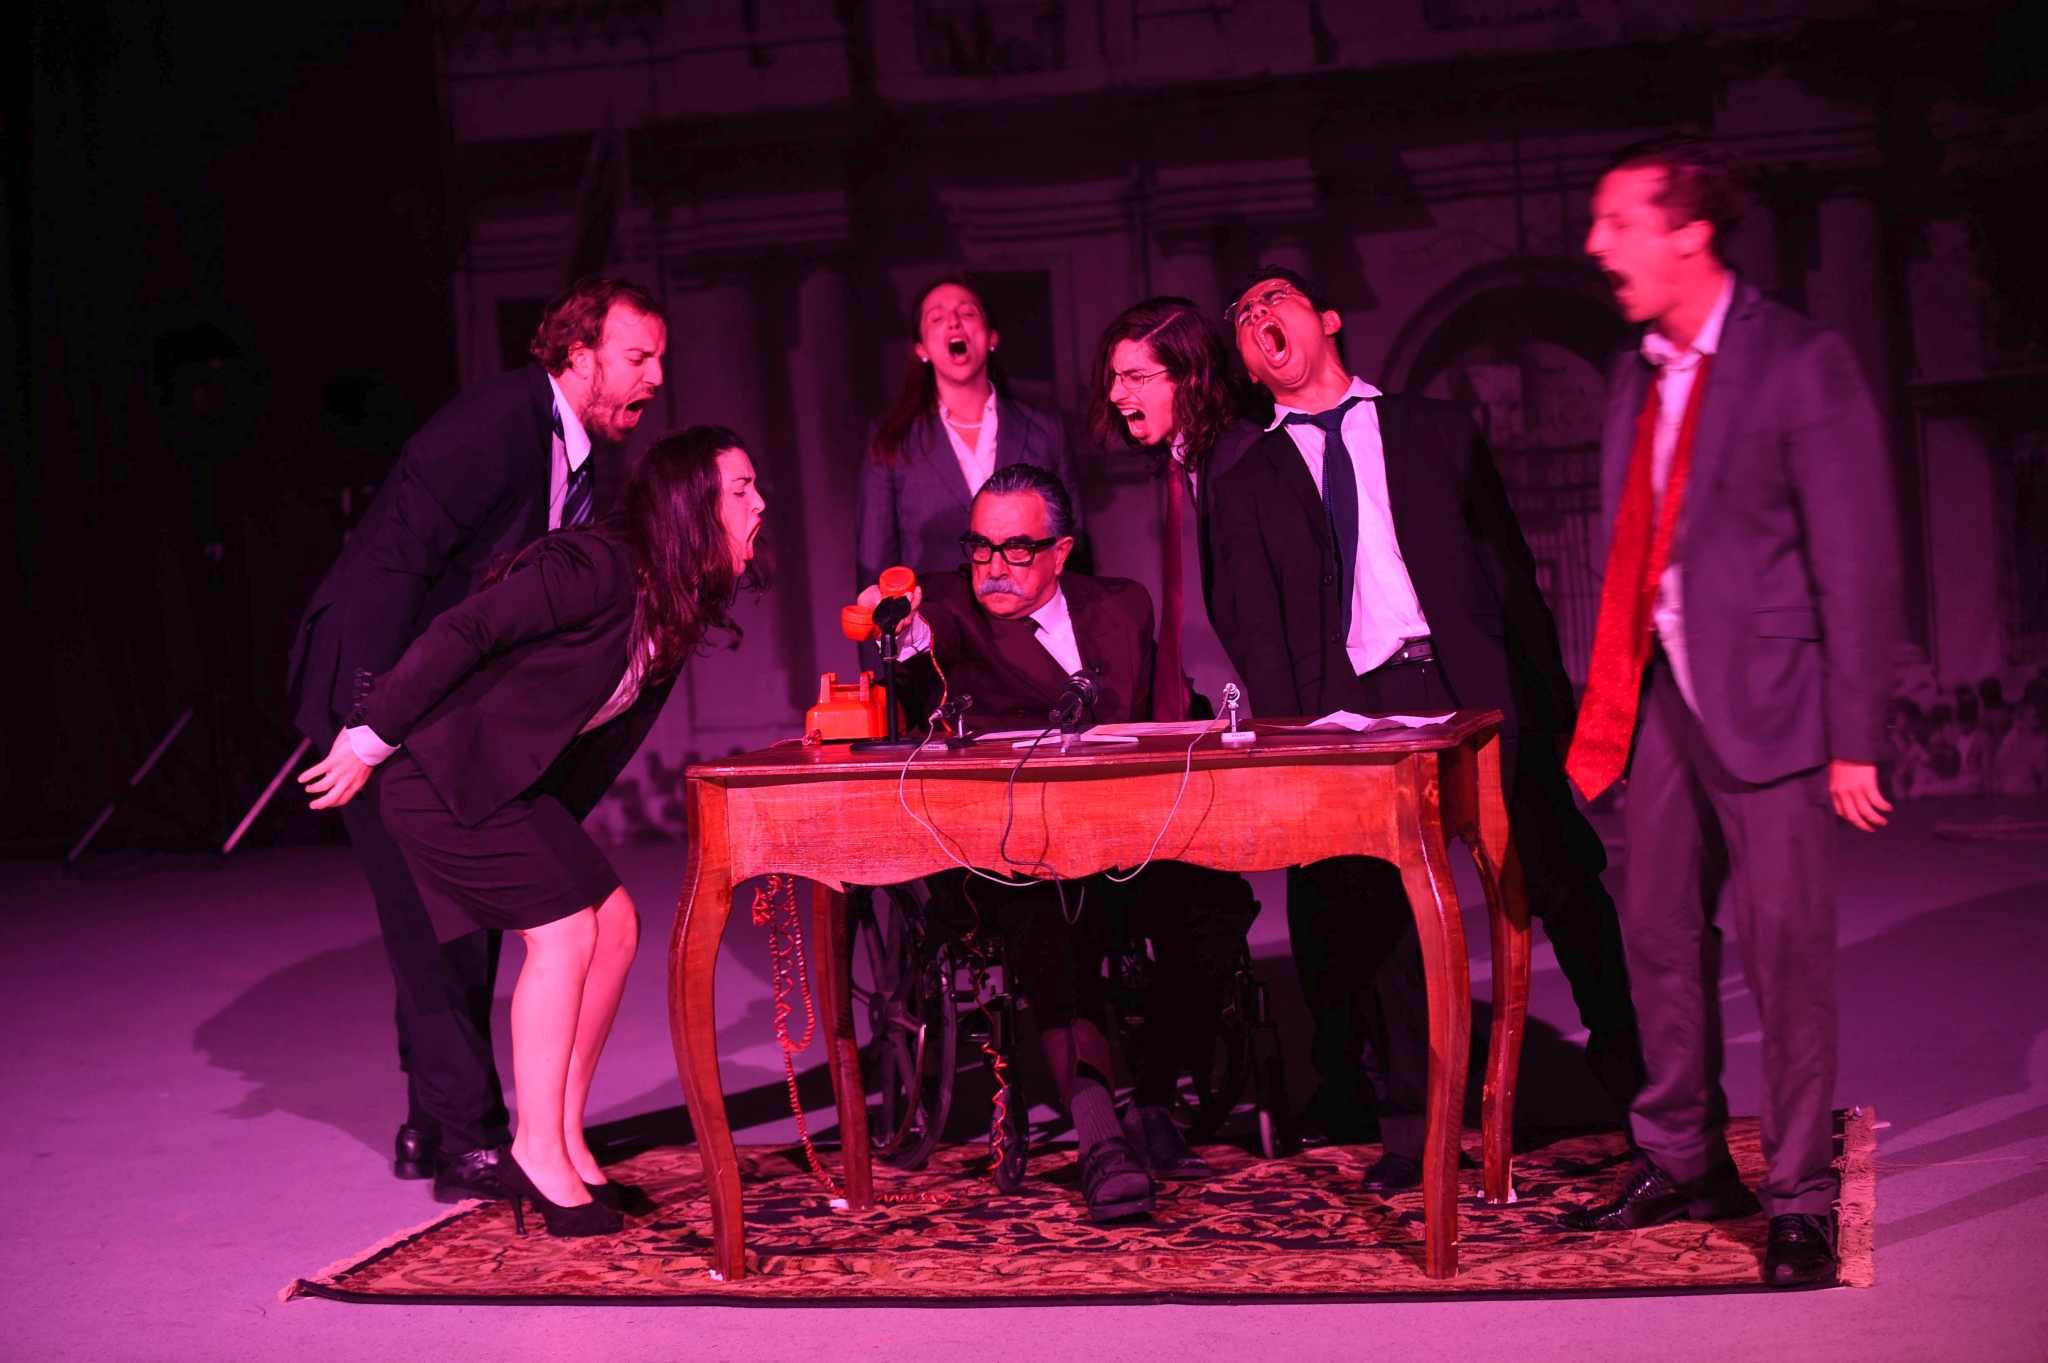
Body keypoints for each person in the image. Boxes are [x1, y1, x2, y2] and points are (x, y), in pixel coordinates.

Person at [1207, 264, 1645, 1189]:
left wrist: (1552, 708)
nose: (1258, 314)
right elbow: (1258, 631)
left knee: (1555, 875)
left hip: (1469, 685)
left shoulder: (1435, 429)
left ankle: (1637, 1082)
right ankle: (1418, 1126)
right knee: (1380, 914)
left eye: (1277, 297)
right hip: (1350, 711)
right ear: (1248, 364)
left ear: (1328, 318)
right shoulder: (1245, 483)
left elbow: (1510, 574)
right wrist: (1298, 744)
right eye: (1242, 315)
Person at [1560, 135, 1902, 1291]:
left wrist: (1854, 737)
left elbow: (1855, 562)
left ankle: (1797, 1194)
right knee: (1654, 930)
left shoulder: (1800, 361)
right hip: (1661, 691)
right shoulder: (1631, 372)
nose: (1595, 244)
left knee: (1782, 954)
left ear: (1688, 232)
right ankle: (1681, 1155)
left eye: (1617, 222)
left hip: (1773, 699)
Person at [296, 426, 767, 1236]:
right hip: (436, 774)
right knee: (564, 931)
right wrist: (370, 735)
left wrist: (551, 836)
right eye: (742, 489)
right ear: (692, 505)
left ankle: (562, 1135)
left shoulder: (672, 602)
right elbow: (465, 630)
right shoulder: (594, 567)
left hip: (505, 787)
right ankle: (536, 1149)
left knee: (615, 924)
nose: (761, 505)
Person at [285, 277, 666, 1201]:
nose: (657, 376)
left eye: (660, 358)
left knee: (463, 910)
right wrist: (374, 723)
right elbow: (394, 564)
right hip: (374, 687)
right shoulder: (493, 426)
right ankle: (469, 1138)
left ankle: (432, 1119)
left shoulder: (577, 457)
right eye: (639, 357)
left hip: (431, 698)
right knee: (431, 918)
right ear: (578, 354)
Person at [860, 461, 1219, 1222]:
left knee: (1213, 903)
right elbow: (919, 634)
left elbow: (1170, 706)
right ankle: (1100, 1139)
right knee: (1046, 916)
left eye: (1016, 548)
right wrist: (898, 624)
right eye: (979, 547)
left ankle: (1154, 1100)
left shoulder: (1121, 605)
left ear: (1060, 551)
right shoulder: (951, 609)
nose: (993, 566)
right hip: (1019, 849)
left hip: (1135, 834)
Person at [1082, 297, 1267, 1175]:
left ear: (1189, 374)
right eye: (1113, 377)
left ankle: (1155, 1090)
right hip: (1173, 721)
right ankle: (1139, 1097)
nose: (1117, 393)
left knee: (1212, 906)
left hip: (1239, 717)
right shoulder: (1175, 468)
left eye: (1134, 376)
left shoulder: (1240, 460)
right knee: (1150, 901)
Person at [856, 277, 1084, 590]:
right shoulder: (891, 440)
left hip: (1030, 617)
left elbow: (1074, 548)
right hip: (936, 617)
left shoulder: (1045, 431)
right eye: (937, 318)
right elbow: (875, 569)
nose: (954, 322)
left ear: (992, 337)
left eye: (967, 313)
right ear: (921, 348)